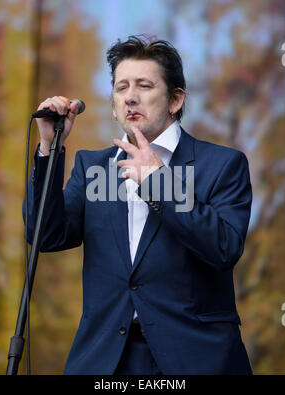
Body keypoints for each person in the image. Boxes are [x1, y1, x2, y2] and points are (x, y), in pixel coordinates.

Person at [25, 35, 253, 375]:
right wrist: (48, 148)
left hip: (195, 358)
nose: (130, 96)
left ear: (176, 100)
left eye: (144, 86)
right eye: (121, 88)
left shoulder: (222, 165)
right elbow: (46, 236)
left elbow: (224, 248)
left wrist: (156, 181)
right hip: (106, 360)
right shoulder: (93, 167)